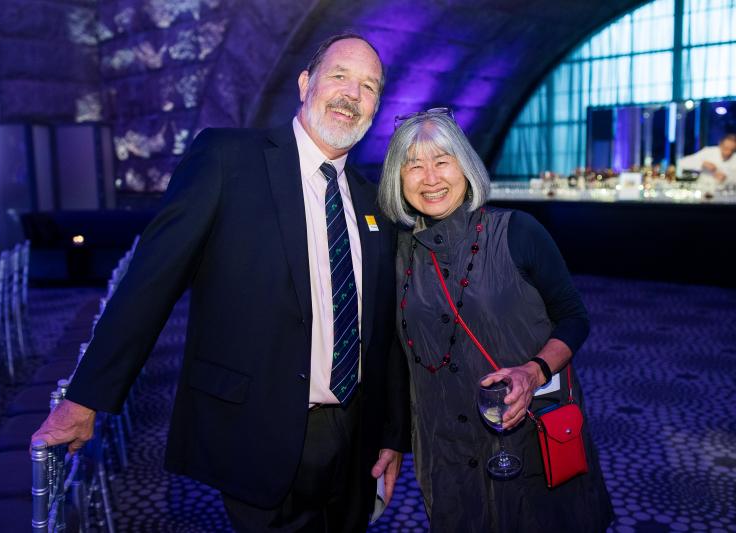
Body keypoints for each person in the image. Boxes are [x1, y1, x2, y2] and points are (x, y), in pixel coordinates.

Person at [31, 33, 410, 532]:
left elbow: (382, 329)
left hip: (353, 441)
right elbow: (151, 281)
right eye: (340, 76)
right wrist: (85, 398)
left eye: (369, 86)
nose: (352, 95)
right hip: (258, 431)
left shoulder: (372, 198)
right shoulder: (228, 159)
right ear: (305, 83)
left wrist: (390, 433)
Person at [377, 110, 613, 532]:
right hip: (445, 449)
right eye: (414, 164)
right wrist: (393, 441)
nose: (429, 177)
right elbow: (396, 355)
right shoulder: (398, 256)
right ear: (398, 177)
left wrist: (533, 370)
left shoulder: (518, 232)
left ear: (465, 166)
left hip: (529, 438)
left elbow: (573, 317)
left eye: (442, 160)